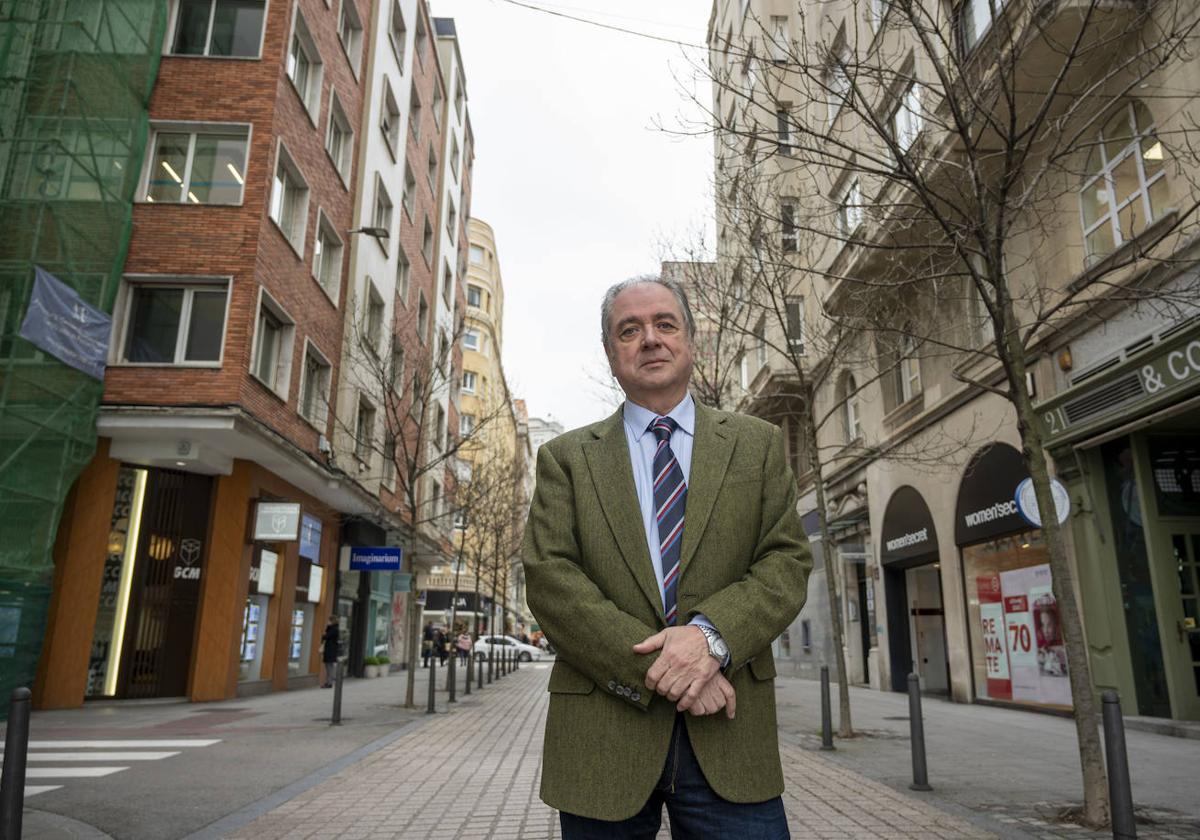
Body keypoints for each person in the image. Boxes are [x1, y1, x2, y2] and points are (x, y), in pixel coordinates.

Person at [523, 276, 812, 838]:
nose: (649, 339)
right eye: (629, 331)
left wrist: (709, 640)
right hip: (603, 737)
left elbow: (785, 561)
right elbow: (551, 580)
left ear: (691, 342)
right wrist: (670, 671)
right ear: (611, 356)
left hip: (730, 737)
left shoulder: (756, 444)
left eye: (664, 324)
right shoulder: (565, 459)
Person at [320, 615, 340, 688]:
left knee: (329, 667)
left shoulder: (334, 629)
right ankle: (329, 682)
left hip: (330, 650)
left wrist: (325, 633)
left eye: (329, 621)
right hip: (330, 650)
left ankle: (329, 683)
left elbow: (326, 636)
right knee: (328, 667)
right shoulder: (333, 628)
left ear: (332, 621)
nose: (327, 622)